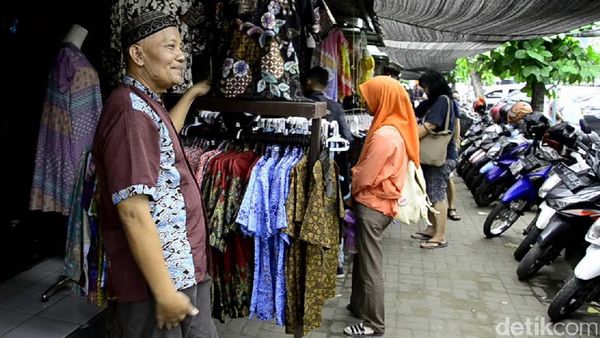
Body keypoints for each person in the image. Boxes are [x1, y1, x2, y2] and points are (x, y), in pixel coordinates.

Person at [92, 11, 218, 338]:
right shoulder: (129, 112)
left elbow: (164, 136)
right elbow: (132, 210)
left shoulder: (145, 102)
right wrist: (164, 292)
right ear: (138, 55)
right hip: (160, 282)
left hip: (182, 271)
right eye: (171, 47)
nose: (181, 56)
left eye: (181, 47)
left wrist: (192, 93)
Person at [344, 76, 420, 336]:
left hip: (373, 207)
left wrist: (353, 180)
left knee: (370, 267)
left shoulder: (385, 135)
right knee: (362, 259)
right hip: (380, 204)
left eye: (368, 96)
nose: (364, 102)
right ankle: (357, 305)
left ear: (382, 98)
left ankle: (373, 324)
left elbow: (365, 176)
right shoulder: (394, 127)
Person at [305, 66, 353, 278]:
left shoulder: (301, 104)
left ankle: (307, 261)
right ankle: (337, 263)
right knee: (332, 215)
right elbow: (348, 138)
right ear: (325, 85)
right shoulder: (335, 106)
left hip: (302, 169)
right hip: (329, 171)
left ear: (308, 82)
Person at [412, 71, 458, 249]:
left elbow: (430, 125)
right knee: (430, 193)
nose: (425, 91)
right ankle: (432, 229)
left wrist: (410, 136)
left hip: (443, 157)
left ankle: (440, 236)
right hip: (435, 156)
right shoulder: (437, 101)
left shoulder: (442, 101)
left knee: (437, 194)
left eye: (426, 87)